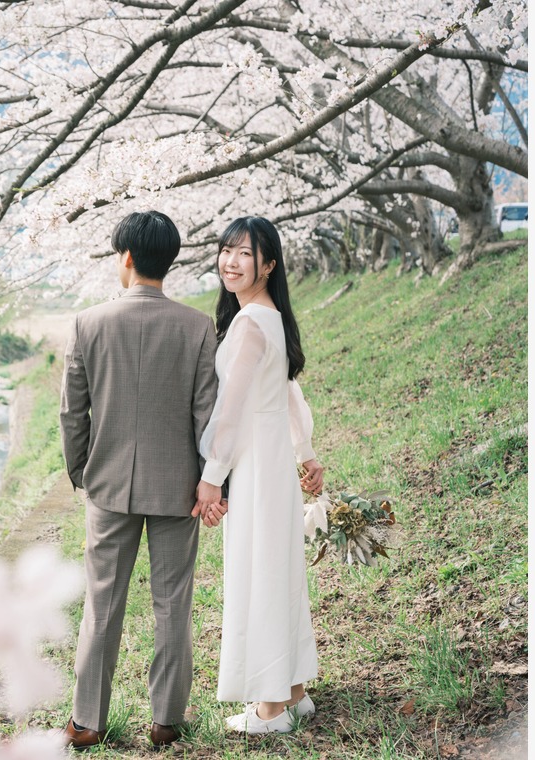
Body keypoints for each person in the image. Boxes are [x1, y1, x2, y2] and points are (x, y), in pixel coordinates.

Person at [59, 210, 226, 751]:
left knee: (102, 602)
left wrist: (81, 470)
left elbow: (71, 414)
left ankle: (87, 721)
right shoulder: (199, 327)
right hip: (180, 487)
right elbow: (209, 415)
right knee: (172, 602)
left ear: (126, 258)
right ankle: (166, 720)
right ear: (169, 261)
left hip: (107, 485)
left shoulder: (87, 323)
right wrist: (210, 480)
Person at [192, 215, 325, 734]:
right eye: (227, 250)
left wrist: (212, 474)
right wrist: (305, 452)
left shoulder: (250, 323)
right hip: (270, 457)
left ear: (268, 264)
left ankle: (270, 709)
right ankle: (293, 692)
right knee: (278, 569)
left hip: (253, 462)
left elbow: (232, 408)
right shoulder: (267, 316)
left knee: (262, 572)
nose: (231, 261)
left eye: (245, 253)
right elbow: (289, 391)